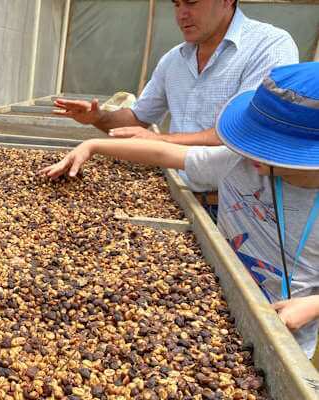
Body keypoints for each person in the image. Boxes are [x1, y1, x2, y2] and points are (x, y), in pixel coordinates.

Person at [40, 62, 319, 358]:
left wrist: (313, 305)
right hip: (214, 302)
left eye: (270, 147)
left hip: (285, 332)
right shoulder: (239, 162)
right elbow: (165, 153)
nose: (254, 152)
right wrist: (93, 145)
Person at [53, 0, 298, 146]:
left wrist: (162, 141)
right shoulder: (174, 60)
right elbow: (138, 119)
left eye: (192, 2)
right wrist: (97, 118)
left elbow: (248, 131)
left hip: (236, 204)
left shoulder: (269, 45)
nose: (182, 14)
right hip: (177, 190)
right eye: (176, 3)